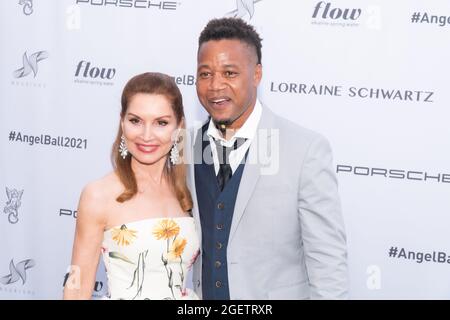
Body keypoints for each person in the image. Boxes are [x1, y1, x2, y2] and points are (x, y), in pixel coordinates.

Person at [188, 18, 349, 299]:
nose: (215, 86)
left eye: (229, 72)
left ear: (256, 74)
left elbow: (328, 264)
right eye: (205, 74)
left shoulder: (305, 150)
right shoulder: (183, 146)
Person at [63, 72, 200, 300]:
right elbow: (77, 284)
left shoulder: (188, 191)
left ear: (179, 126)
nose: (146, 135)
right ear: (122, 122)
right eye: (135, 121)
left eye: (161, 123)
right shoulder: (99, 195)